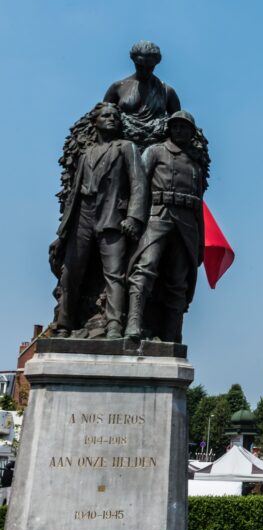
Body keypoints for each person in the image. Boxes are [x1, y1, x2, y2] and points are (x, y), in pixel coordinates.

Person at [49, 104, 146, 338]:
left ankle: (114, 324)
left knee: (114, 273)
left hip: (112, 216)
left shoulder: (126, 148)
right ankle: (64, 324)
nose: (111, 119)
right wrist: (63, 232)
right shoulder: (85, 154)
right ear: (96, 122)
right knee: (71, 272)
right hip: (83, 215)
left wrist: (133, 217)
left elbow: (138, 184)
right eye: (106, 116)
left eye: (115, 116)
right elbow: (73, 196)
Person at [126, 110, 207, 342]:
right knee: (145, 267)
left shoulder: (195, 162)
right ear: (169, 129)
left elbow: (199, 205)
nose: (180, 131)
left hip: (186, 223)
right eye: (176, 126)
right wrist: (134, 219)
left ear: (191, 133)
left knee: (178, 280)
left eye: (185, 128)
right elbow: (138, 187)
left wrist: (200, 241)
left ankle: (172, 335)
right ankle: (133, 322)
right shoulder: (155, 152)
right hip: (158, 215)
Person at [103, 41, 182, 145]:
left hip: (157, 146)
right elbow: (103, 117)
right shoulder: (118, 87)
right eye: (140, 66)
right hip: (122, 144)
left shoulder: (167, 92)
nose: (144, 71)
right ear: (133, 60)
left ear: (156, 63)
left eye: (149, 67)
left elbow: (178, 124)